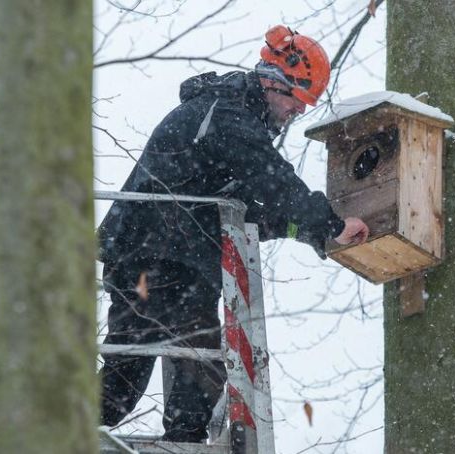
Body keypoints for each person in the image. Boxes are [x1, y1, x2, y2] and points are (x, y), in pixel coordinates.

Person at [97, 25, 370, 442]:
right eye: (296, 102)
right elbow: (274, 182)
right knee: (189, 360)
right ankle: (178, 441)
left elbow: (254, 213)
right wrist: (331, 223)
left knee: (128, 380)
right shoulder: (227, 114)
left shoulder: (232, 122)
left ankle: (54, 420)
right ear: (273, 82)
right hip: (159, 256)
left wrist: (312, 233)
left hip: (161, 255)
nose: (297, 112)